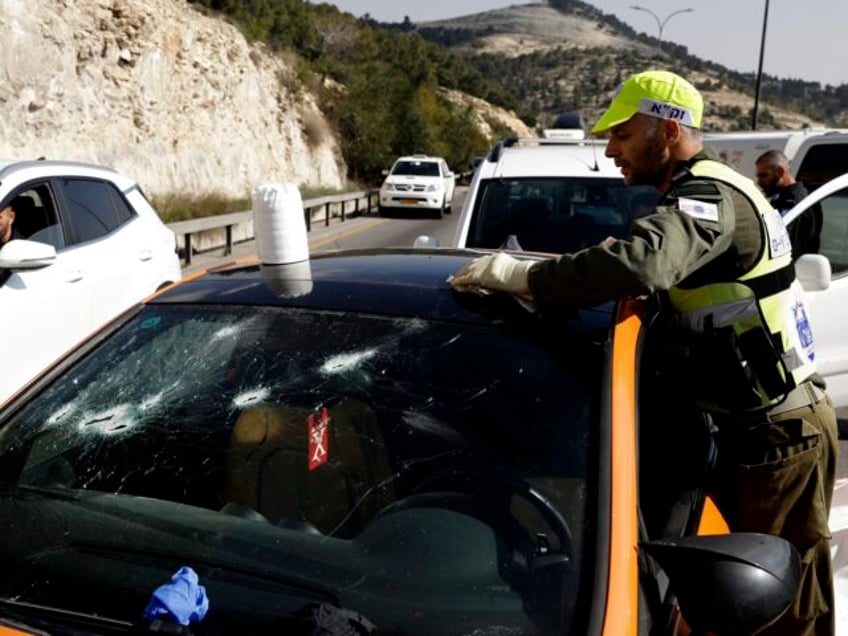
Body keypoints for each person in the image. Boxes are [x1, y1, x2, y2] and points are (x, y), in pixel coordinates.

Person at [450, 69, 838, 636]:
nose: (610, 151)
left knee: (783, 605)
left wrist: (524, 276)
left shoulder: (710, 194)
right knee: (743, 592)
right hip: (753, 429)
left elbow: (642, 262)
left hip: (777, 434)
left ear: (669, 129)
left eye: (624, 134)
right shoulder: (701, 192)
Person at [755, 149, 822, 260]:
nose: (759, 181)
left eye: (763, 175)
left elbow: (790, 247)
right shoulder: (782, 199)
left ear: (780, 172)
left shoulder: (797, 203)